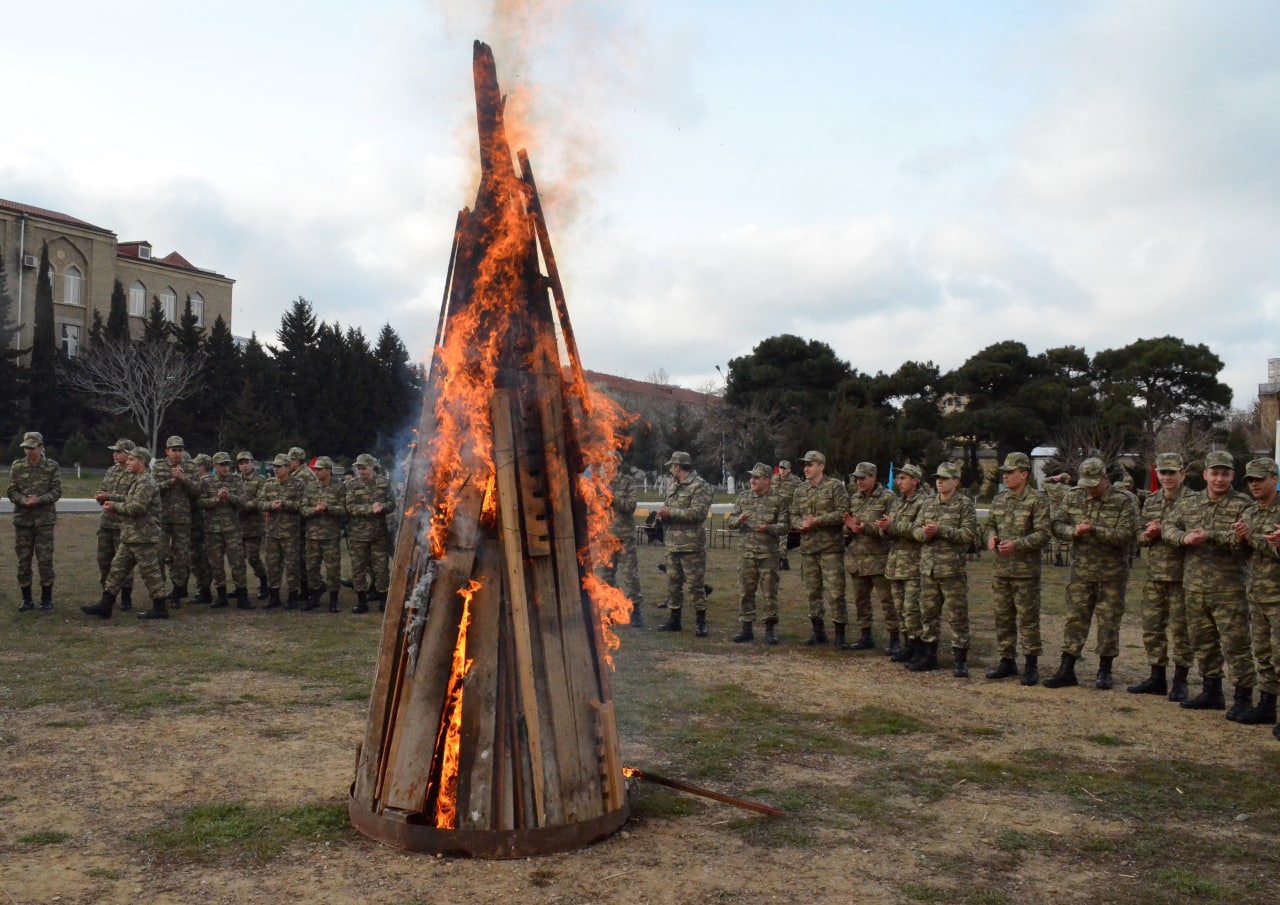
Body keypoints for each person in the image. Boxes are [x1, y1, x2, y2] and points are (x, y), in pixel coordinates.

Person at [1162, 451, 1254, 717]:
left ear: (1232, 476)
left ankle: (1243, 696)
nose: (1219, 479)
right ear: (1205, 475)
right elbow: (1169, 526)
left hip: (1229, 588)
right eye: (1214, 473)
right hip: (1194, 586)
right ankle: (1211, 690)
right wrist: (1183, 538)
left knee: (1236, 644)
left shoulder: (1243, 504)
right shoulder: (1190, 503)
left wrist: (1211, 536)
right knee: (1203, 642)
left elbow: (1244, 537)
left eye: (1225, 474)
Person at [1043, 458, 1140, 690]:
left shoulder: (1124, 500)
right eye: (1086, 484)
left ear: (1106, 479)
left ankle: (1105, 670)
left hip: (1112, 574)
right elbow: (1055, 524)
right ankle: (1066, 669)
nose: (1089, 489)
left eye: (1094, 484)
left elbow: (1127, 534)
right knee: (1075, 619)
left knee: (1108, 622)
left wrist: (1095, 530)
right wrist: (1072, 532)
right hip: (1081, 572)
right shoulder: (1073, 496)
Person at [982, 452, 1051, 685]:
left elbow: (1043, 533)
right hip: (1001, 570)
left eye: (1010, 472)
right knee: (1003, 618)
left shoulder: (1037, 500)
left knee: (1027, 619)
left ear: (1024, 474)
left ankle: (1031, 664)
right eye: (1004, 472)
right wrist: (991, 538)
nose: (1006, 476)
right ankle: (1006, 660)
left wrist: (1017, 545)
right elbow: (990, 524)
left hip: (1025, 573)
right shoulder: (999, 499)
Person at [1128, 452, 1191, 699]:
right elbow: (1139, 536)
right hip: (1155, 575)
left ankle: (1181, 679)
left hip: (1182, 576)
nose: (1166, 477)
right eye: (1162, 472)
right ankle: (1157, 676)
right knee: (1153, 628)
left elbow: (1196, 534)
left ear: (1182, 474)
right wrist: (1149, 534)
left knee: (1181, 629)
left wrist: (1166, 532)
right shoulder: (1152, 501)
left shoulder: (1194, 501)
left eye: (1171, 472)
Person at [82, 447, 169, 620]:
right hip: (131, 535)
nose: (127, 463)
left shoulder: (146, 482)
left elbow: (138, 507)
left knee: (150, 573)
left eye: (131, 460)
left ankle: (160, 609)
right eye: (128, 460)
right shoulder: (138, 480)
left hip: (143, 537)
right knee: (117, 570)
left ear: (141, 462)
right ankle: (105, 605)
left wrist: (114, 507)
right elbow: (130, 501)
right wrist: (111, 499)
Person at [909, 462, 978, 675]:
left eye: (944, 478)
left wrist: (941, 530)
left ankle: (960, 659)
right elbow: (915, 530)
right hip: (929, 569)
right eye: (937, 478)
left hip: (952, 571)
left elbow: (968, 535)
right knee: (928, 614)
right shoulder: (929, 503)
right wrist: (925, 534)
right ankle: (929, 655)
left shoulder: (964, 505)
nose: (939, 481)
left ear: (956, 482)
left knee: (957, 615)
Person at [1235, 457, 1280, 730]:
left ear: (1275, 478)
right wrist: (1240, 538)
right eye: (1250, 480)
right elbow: (1243, 553)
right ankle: (1266, 704)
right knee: (1262, 653)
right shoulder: (1250, 512)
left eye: (1259, 479)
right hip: (1257, 594)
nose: (1254, 485)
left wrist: (1254, 538)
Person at [791, 450, 849, 647]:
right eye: (805, 465)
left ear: (821, 466)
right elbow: (794, 515)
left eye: (810, 464)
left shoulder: (835, 487)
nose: (806, 468)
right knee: (812, 591)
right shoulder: (800, 490)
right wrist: (800, 524)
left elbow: (843, 513)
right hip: (808, 549)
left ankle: (840, 634)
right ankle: (818, 632)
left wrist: (818, 521)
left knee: (835, 592)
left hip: (830, 549)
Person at [730, 462, 789, 644]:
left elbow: (785, 526)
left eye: (756, 477)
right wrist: (738, 520)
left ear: (767, 480)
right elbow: (731, 522)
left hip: (768, 555)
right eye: (751, 477)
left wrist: (769, 528)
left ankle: (770, 629)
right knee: (746, 592)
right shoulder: (743, 498)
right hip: (747, 554)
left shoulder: (779, 500)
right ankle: (746, 628)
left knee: (769, 593)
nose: (752, 481)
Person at [656, 451, 714, 636]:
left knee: (696, 585)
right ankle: (674, 620)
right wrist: (663, 516)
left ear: (678, 467)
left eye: (672, 466)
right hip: (673, 544)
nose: (671, 470)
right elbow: (669, 508)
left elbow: (698, 513)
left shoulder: (699, 486)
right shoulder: (673, 487)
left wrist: (671, 512)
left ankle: (701, 622)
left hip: (691, 546)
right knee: (673, 584)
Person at [878, 464, 928, 664]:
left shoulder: (924, 502)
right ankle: (908, 645)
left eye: (903, 478)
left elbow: (919, 531)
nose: (899, 482)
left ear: (915, 480)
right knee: (900, 608)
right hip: (895, 563)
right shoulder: (898, 502)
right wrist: (884, 528)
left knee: (912, 609)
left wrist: (894, 526)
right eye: (898, 478)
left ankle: (918, 647)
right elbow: (888, 529)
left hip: (913, 564)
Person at [843, 461, 896, 652]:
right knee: (861, 600)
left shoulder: (888, 498)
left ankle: (894, 637)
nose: (859, 482)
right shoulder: (854, 498)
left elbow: (890, 528)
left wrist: (866, 527)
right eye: (856, 479)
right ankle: (866, 635)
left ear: (873, 477)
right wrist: (849, 527)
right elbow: (847, 525)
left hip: (879, 558)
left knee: (887, 600)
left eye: (863, 478)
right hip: (857, 559)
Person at [7, 431, 62, 611]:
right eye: (26, 448)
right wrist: (23, 500)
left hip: (44, 521)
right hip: (23, 521)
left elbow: (56, 491)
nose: (28, 452)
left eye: (32, 448)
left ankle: (47, 599)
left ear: (41, 447)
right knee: (23, 560)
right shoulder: (17, 467)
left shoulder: (51, 466)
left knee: (44, 560)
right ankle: (27, 599)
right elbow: (11, 490)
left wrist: (40, 499)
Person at [199, 452, 251, 609]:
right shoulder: (206, 481)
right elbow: (199, 502)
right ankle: (221, 596)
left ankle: (242, 595)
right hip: (213, 530)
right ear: (215, 466)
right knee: (216, 564)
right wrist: (217, 499)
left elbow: (243, 502)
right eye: (222, 465)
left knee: (238, 563)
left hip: (232, 529)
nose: (226, 467)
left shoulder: (236, 480)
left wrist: (229, 497)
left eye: (228, 464)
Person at [152, 436, 200, 606]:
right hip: (162, 519)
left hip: (183, 519)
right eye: (174, 450)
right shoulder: (159, 467)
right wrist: (170, 482)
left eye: (180, 450)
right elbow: (152, 489)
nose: (178, 453)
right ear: (167, 451)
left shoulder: (191, 467)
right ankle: (159, 590)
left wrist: (183, 479)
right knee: (159, 554)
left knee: (180, 556)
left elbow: (197, 492)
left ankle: (178, 591)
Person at [347, 453, 396, 614]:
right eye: (359, 468)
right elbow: (349, 507)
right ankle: (362, 601)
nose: (361, 471)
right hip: (358, 535)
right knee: (358, 569)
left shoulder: (384, 483)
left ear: (372, 467)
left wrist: (382, 506)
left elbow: (392, 503)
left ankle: (383, 600)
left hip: (378, 534)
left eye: (364, 468)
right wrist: (369, 509)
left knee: (381, 568)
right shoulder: (352, 485)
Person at [600, 454, 644, 626]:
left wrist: (612, 498)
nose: (606, 464)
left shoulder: (627, 482)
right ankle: (608, 611)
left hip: (624, 537)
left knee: (630, 575)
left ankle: (635, 611)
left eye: (609, 461)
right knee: (607, 576)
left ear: (617, 463)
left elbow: (631, 506)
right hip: (606, 537)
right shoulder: (600, 483)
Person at [258, 453, 305, 609]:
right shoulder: (269, 484)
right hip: (272, 533)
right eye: (274, 466)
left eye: (279, 466)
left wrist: (285, 503)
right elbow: (260, 503)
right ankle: (274, 596)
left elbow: (301, 505)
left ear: (287, 468)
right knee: (272, 565)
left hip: (290, 533)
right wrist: (270, 506)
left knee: (292, 565)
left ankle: (293, 596)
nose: (276, 469)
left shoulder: (298, 484)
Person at [302, 455, 348, 612]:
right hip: (312, 535)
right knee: (311, 568)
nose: (316, 472)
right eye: (316, 469)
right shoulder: (310, 487)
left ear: (328, 470)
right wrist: (314, 510)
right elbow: (302, 509)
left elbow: (344, 510)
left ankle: (334, 600)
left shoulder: (339, 487)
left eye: (320, 469)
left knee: (333, 568)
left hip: (330, 535)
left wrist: (328, 508)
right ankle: (314, 595)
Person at [95, 438, 136, 611]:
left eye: (119, 451)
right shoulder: (111, 471)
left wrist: (109, 497)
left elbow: (134, 498)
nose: (115, 454)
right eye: (114, 451)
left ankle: (126, 597)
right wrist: (99, 496)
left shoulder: (135, 473)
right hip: (107, 523)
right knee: (104, 561)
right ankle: (108, 596)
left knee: (123, 563)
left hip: (123, 524)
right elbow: (102, 489)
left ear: (129, 454)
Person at [237, 451, 270, 599]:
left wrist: (241, 507)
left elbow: (260, 499)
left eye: (247, 462)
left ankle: (264, 583)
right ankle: (240, 586)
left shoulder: (260, 480)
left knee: (253, 557)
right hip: (238, 527)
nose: (244, 466)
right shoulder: (236, 480)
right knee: (237, 559)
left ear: (252, 463)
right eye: (241, 463)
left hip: (254, 526)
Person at [188, 452, 215, 604]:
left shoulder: (202, 482)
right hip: (210, 526)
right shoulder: (216, 480)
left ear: (202, 467)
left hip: (199, 525)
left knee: (197, 558)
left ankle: (204, 590)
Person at [771, 460, 802, 568]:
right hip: (774, 511)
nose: (782, 471)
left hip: (787, 512)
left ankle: (782, 559)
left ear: (789, 470)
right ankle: (777, 558)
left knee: (783, 536)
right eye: (781, 468)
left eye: (785, 468)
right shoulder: (773, 479)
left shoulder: (795, 481)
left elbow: (801, 495)